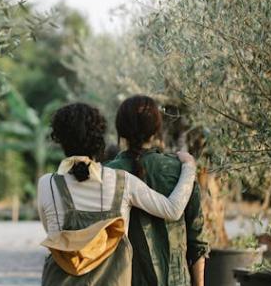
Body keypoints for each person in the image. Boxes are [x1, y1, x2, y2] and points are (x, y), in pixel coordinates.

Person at [37, 103, 197, 286]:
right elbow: (172, 209)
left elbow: (51, 231)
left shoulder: (47, 184)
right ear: (99, 138)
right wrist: (189, 166)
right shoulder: (122, 182)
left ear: (60, 139)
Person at [106, 95, 209, 286]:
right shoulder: (180, 170)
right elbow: (197, 241)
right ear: (156, 129)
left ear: (121, 130)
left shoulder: (107, 174)